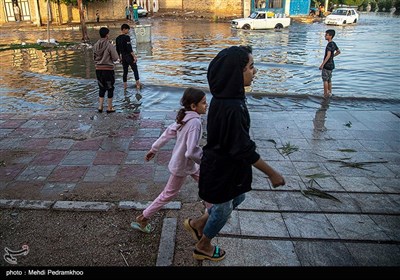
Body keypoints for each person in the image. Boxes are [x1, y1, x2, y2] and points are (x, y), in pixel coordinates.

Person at [183, 46, 285, 262]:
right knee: (222, 209)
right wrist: (272, 173)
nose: (254, 71)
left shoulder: (224, 98)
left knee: (238, 196)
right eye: (250, 67)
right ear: (234, 74)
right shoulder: (231, 106)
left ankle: (198, 224)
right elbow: (242, 148)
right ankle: (203, 245)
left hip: (226, 167)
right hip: (221, 169)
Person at [131, 87, 208, 233]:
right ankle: (143, 218)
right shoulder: (195, 123)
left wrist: (154, 148)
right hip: (183, 165)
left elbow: (168, 132)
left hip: (185, 164)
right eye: (204, 103)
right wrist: (206, 160)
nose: (207, 105)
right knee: (168, 194)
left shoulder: (185, 117)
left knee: (208, 183)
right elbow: (192, 151)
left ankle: (211, 212)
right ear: (193, 106)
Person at [93, 27, 120, 113]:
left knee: (101, 88)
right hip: (108, 70)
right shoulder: (109, 45)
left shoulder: (95, 45)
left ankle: (100, 106)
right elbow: (115, 58)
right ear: (107, 35)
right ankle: (109, 107)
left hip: (98, 70)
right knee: (110, 88)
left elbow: (94, 58)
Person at [116, 23, 142, 90]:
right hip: (128, 56)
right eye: (127, 30)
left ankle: (125, 86)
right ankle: (138, 85)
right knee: (135, 69)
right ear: (124, 29)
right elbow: (129, 48)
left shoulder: (117, 38)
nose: (128, 31)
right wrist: (134, 57)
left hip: (123, 57)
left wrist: (119, 58)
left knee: (125, 72)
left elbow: (117, 50)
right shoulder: (127, 37)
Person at [319, 29, 341, 98]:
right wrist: (333, 56)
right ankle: (330, 92)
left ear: (330, 36)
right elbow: (338, 51)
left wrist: (322, 64)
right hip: (332, 65)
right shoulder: (333, 43)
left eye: (326, 35)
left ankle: (325, 93)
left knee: (325, 79)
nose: (325, 36)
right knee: (329, 79)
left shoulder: (329, 45)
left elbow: (328, 55)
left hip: (327, 65)